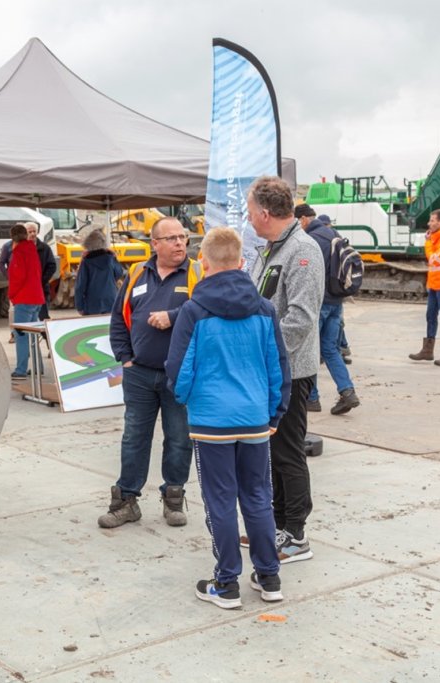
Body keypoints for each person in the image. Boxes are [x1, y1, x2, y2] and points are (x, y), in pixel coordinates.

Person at [165, 227, 291, 609]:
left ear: (203, 263)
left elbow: (179, 369)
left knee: (220, 500)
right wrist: (274, 412)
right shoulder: (265, 309)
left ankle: (227, 582)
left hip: (211, 421)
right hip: (254, 419)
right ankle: (269, 577)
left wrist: (188, 400)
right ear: (241, 263)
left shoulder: (193, 311)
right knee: (258, 497)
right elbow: (278, 367)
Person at [98, 217, 203, 529]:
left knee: (180, 439)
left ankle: (173, 498)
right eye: (170, 238)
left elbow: (209, 310)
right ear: (154, 244)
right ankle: (126, 501)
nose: (179, 243)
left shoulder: (197, 272)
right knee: (134, 439)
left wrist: (174, 316)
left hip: (180, 376)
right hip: (139, 374)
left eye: (182, 237)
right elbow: (119, 318)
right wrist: (125, 358)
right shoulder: (136, 273)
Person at [247, 176, 324, 564]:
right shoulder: (271, 249)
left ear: (263, 213)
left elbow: (301, 319)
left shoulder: (302, 252)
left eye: (249, 210)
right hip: (270, 369)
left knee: (288, 452)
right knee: (272, 452)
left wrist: (269, 361)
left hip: (289, 370)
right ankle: (275, 526)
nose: (247, 216)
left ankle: (296, 535)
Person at [296, 205, 360, 416]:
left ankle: (312, 398)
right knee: (330, 349)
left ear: (304, 219)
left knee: (311, 349)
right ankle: (347, 391)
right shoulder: (333, 233)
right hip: (337, 302)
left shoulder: (312, 239)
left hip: (320, 302)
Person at [409, 209, 440, 367]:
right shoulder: (437, 238)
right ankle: (427, 350)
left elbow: (434, 259)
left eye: (432, 221)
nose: (429, 223)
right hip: (435, 284)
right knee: (430, 316)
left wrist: (428, 242)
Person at [7, 223, 46, 378]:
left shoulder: (18, 253)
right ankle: (38, 367)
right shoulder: (32, 250)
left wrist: (11, 295)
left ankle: (21, 369)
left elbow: (17, 278)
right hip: (36, 297)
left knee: (21, 335)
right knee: (32, 334)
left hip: (24, 298)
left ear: (12, 238)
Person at [75, 229, 125, 315]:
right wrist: (115, 256)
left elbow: (80, 286)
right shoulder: (110, 258)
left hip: (92, 302)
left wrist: (80, 306)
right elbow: (119, 273)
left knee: (94, 328)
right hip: (111, 300)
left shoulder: (86, 261)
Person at [25, 221, 57, 322]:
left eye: (34, 231)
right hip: (26, 290)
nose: (32, 234)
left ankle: (47, 337)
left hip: (42, 289)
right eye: (30, 232)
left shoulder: (44, 248)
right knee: (28, 319)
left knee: (43, 317)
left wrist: (42, 280)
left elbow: (52, 266)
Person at [0, 238, 15, 343]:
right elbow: (1, 263)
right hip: (14, 283)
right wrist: (8, 275)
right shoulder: (8, 246)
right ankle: (13, 334)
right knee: (13, 309)